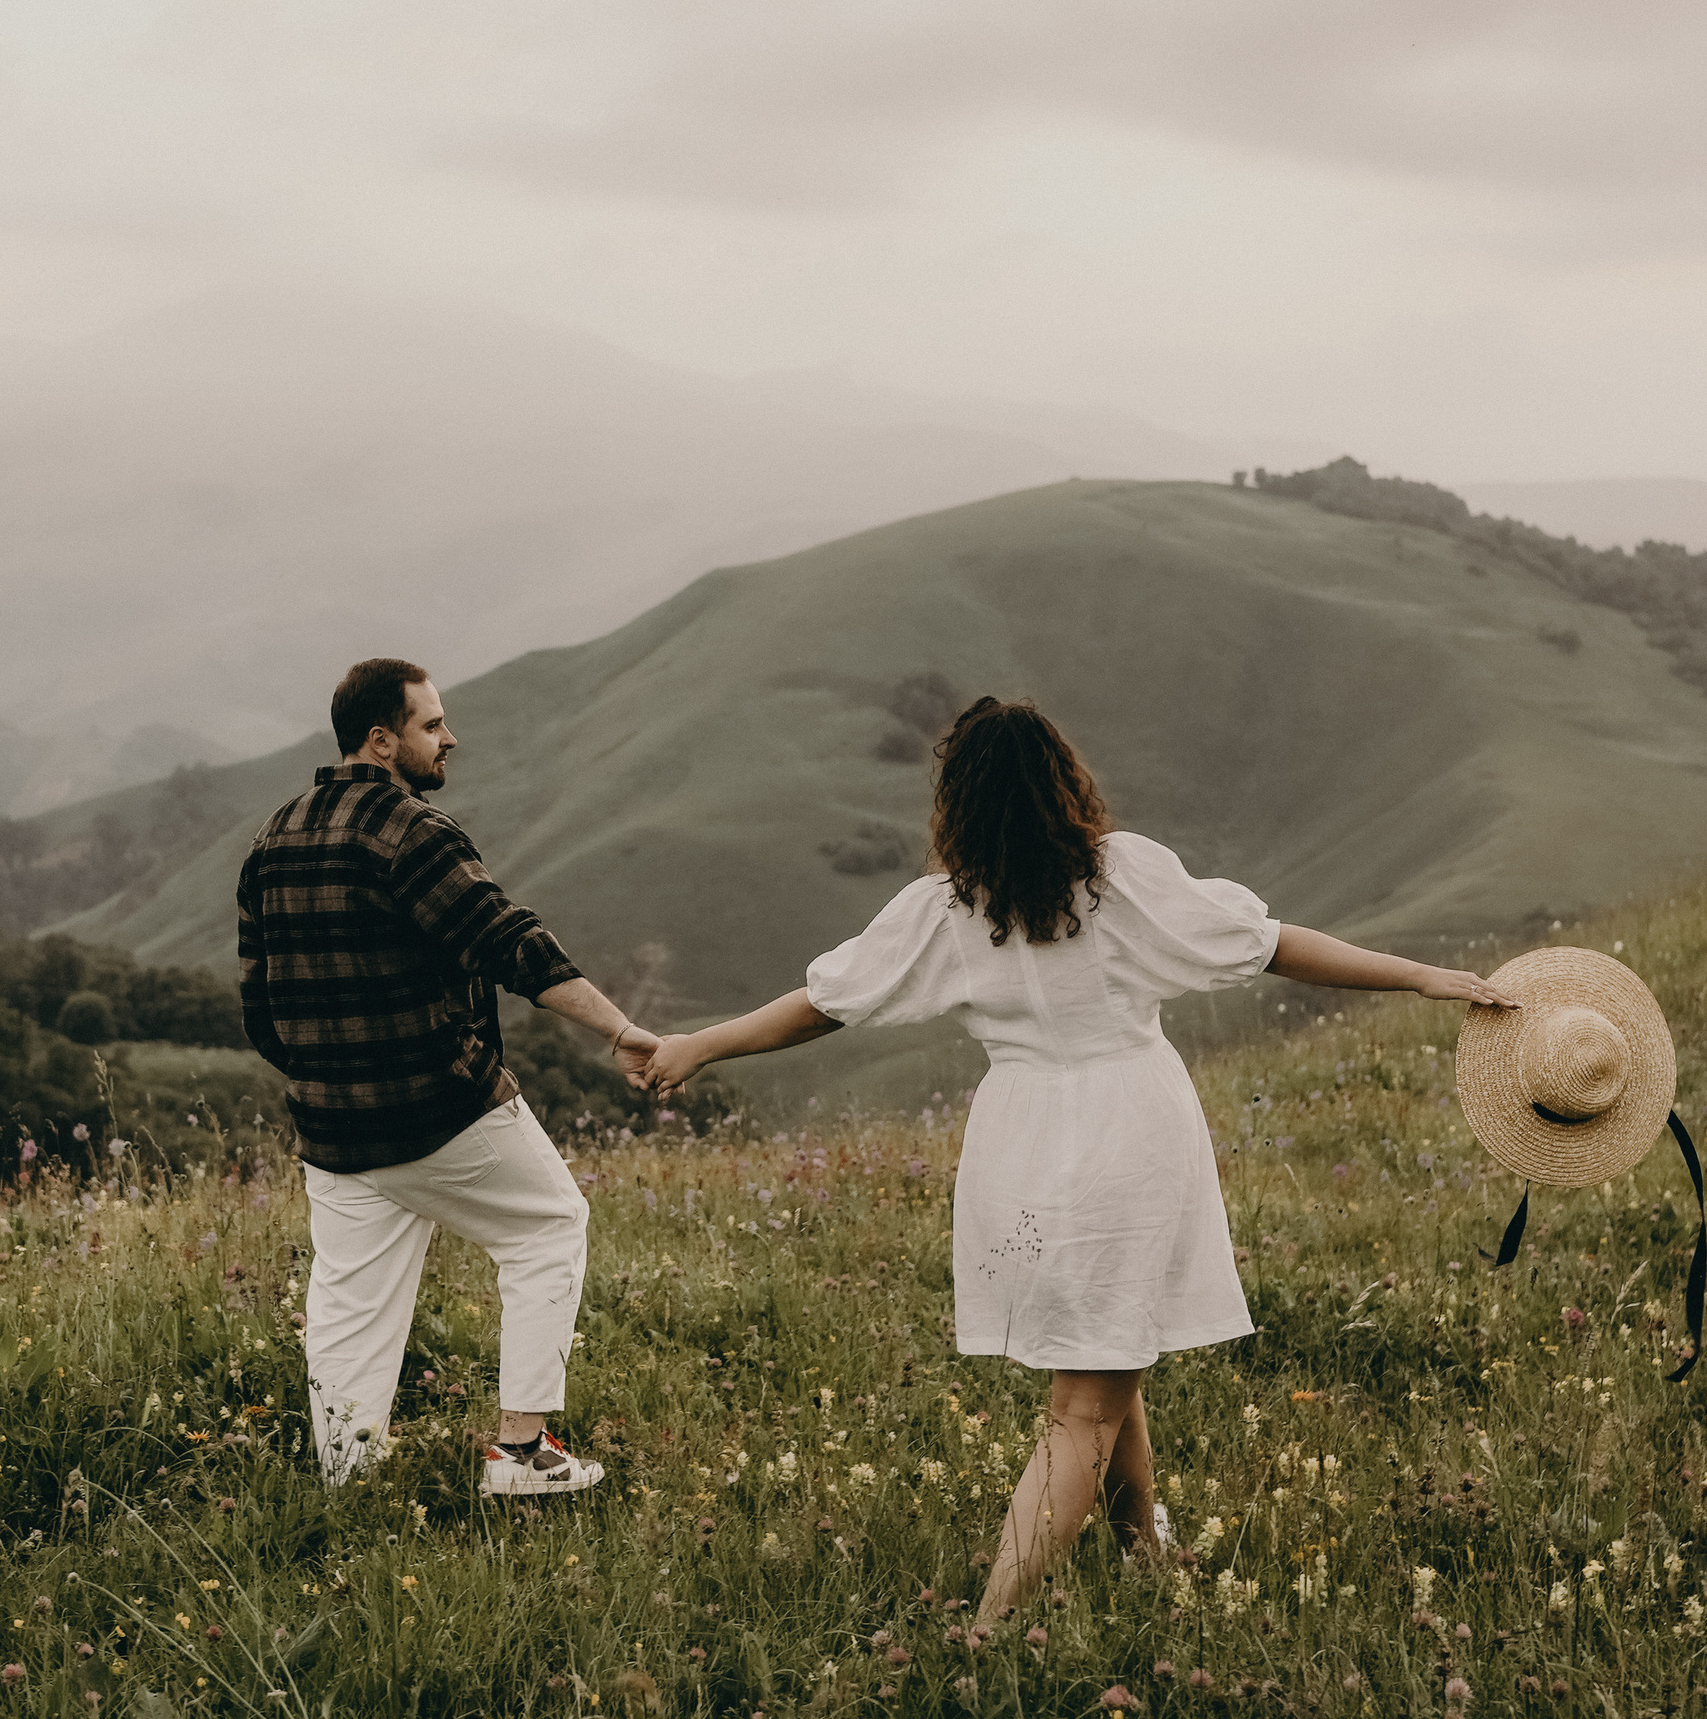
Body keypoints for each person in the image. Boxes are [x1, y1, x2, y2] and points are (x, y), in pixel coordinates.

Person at [641, 694, 1511, 1624]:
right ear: (1064, 782)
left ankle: (1146, 1564)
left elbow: (823, 1004)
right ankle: (990, 1630)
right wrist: (1418, 973)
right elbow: (1269, 946)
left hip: (1017, 1148)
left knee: (1107, 1360)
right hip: (1128, 1139)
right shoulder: (1119, 879)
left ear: (957, 805)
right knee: (1085, 1406)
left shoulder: (944, 912)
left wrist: (701, 1042)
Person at [238, 656, 656, 1496]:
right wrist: (622, 1029)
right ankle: (522, 1454)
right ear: (382, 740)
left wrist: (324, 1075)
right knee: (548, 1226)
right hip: (436, 1104)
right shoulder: (409, 832)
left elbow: (259, 1003)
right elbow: (512, 944)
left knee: (352, 1307)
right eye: (432, 725)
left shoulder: (273, 835)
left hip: (329, 1124)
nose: (449, 737)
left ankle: (347, 1489)